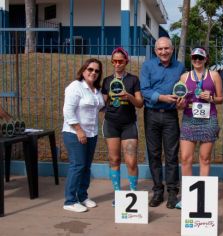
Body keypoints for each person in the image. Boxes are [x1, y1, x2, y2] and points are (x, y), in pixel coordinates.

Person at [175, 47, 223, 208]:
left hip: (209, 119)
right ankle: (187, 197)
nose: (197, 61)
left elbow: (221, 99)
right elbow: (180, 102)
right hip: (189, 119)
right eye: (194, 58)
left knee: (205, 159)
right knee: (186, 158)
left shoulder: (214, 75)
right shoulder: (184, 76)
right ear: (191, 59)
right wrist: (180, 105)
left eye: (200, 58)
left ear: (206, 59)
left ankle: (202, 197)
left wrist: (211, 98)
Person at [140, 37, 185, 209]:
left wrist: (181, 101)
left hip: (170, 115)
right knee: (154, 154)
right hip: (151, 114)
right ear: (155, 51)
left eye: (167, 48)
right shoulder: (148, 66)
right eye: (160, 49)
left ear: (172, 49)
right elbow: (144, 90)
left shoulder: (180, 67)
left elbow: (183, 89)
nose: (164, 52)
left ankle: (173, 192)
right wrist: (161, 97)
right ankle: (158, 191)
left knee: (172, 155)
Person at [101, 47, 143, 206]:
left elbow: (140, 103)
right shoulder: (106, 80)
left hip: (129, 124)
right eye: (115, 61)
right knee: (114, 159)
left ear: (126, 61)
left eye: (121, 61)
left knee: (131, 161)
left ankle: (133, 193)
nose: (117, 64)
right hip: (111, 123)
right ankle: (118, 194)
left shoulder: (133, 80)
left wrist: (129, 96)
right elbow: (102, 103)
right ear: (112, 62)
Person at [62, 58, 105, 213]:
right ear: (83, 70)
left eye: (97, 71)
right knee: (78, 165)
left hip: (91, 133)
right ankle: (70, 200)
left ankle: (82, 196)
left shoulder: (96, 90)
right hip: (75, 133)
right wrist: (79, 131)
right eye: (90, 69)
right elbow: (68, 111)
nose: (93, 73)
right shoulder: (75, 87)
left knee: (86, 166)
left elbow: (99, 108)